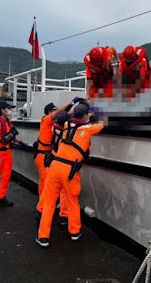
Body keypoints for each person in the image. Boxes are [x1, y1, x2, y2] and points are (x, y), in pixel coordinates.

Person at [35, 104, 105, 248]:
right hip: (70, 171)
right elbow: (102, 124)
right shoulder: (88, 129)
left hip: (55, 167)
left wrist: (85, 115)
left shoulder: (66, 125)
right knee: (72, 201)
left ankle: (43, 237)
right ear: (85, 116)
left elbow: (67, 119)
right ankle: (74, 232)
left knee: (49, 202)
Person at [34, 101, 74, 221]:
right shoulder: (45, 120)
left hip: (49, 156)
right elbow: (59, 113)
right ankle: (42, 209)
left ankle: (46, 207)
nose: (56, 114)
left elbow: (64, 116)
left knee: (49, 184)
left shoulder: (55, 125)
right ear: (48, 113)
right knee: (46, 184)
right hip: (42, 156)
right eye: (53, 111)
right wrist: (69, 103)